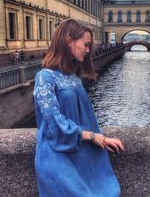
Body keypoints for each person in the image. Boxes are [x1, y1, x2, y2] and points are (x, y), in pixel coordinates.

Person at [33, 19, 124, 197]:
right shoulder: (44, 77)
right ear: (68, 41)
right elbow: (54, 125)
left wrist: (102, 138)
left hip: (81, 156)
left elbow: (86, 119)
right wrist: (93, 137)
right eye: (86, 44)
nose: (88, 50)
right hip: (57, 159)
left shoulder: (73, 77)